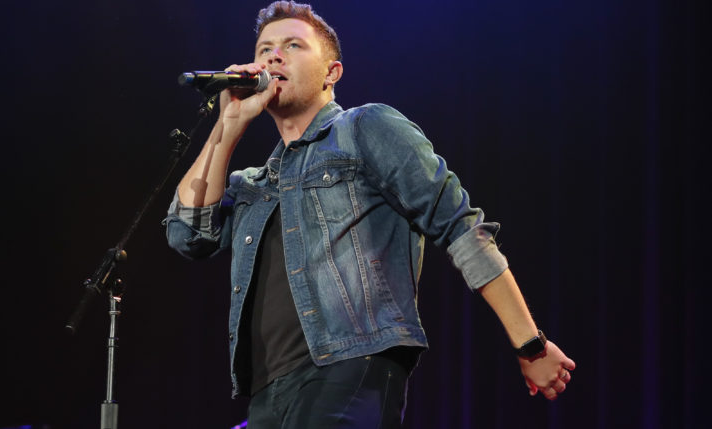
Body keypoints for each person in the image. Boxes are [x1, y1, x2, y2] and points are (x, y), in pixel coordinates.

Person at [164, 1, 575, 427]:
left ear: (332, 73)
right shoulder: (254, 183)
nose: (273, 56)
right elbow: (187, 236)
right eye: (264, 48)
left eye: (292, 45)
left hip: (350, 367)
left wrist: (530, 345)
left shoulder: (364, 128)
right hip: (269, 392)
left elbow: (460, 226)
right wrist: (228, 125)